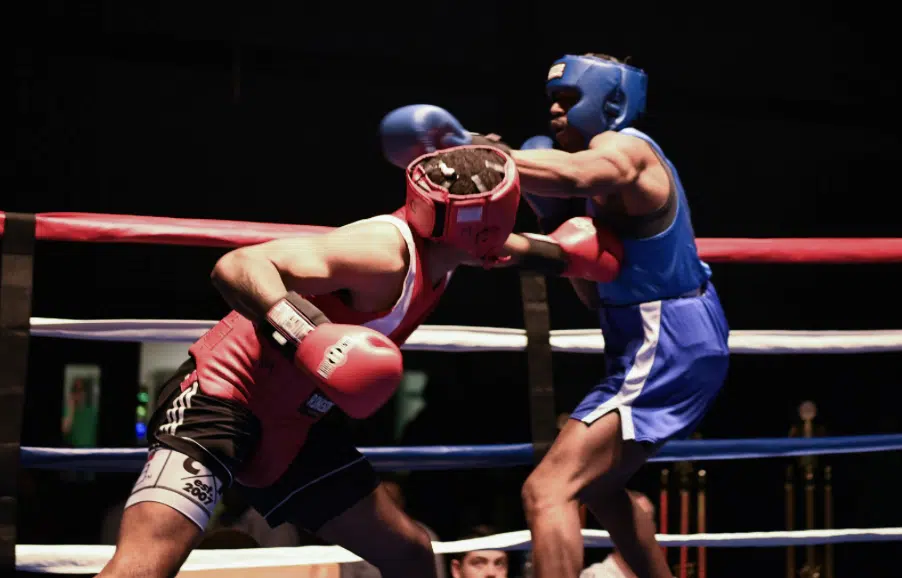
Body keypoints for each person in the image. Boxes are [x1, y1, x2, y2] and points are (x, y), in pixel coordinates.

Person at [98, 145, 623, 578]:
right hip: (220, 399)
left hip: (295, 430)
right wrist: (307, 333)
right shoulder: (383, 253)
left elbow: (513, 248)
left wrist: (568, 256)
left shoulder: (456, 245)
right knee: (144, 567)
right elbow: (238, 265)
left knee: (410, 555)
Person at [379, 52, 730, 578]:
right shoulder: (593, 190)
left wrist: (470, 151)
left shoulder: (626, 149)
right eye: (553, 100)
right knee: (603, 488)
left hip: (665, 339)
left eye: (569, 99)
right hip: (655, 337)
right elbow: (587, 276)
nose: (556, 111)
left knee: (547, 491)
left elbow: (571, 176)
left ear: (612, 103)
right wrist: (522, 234)